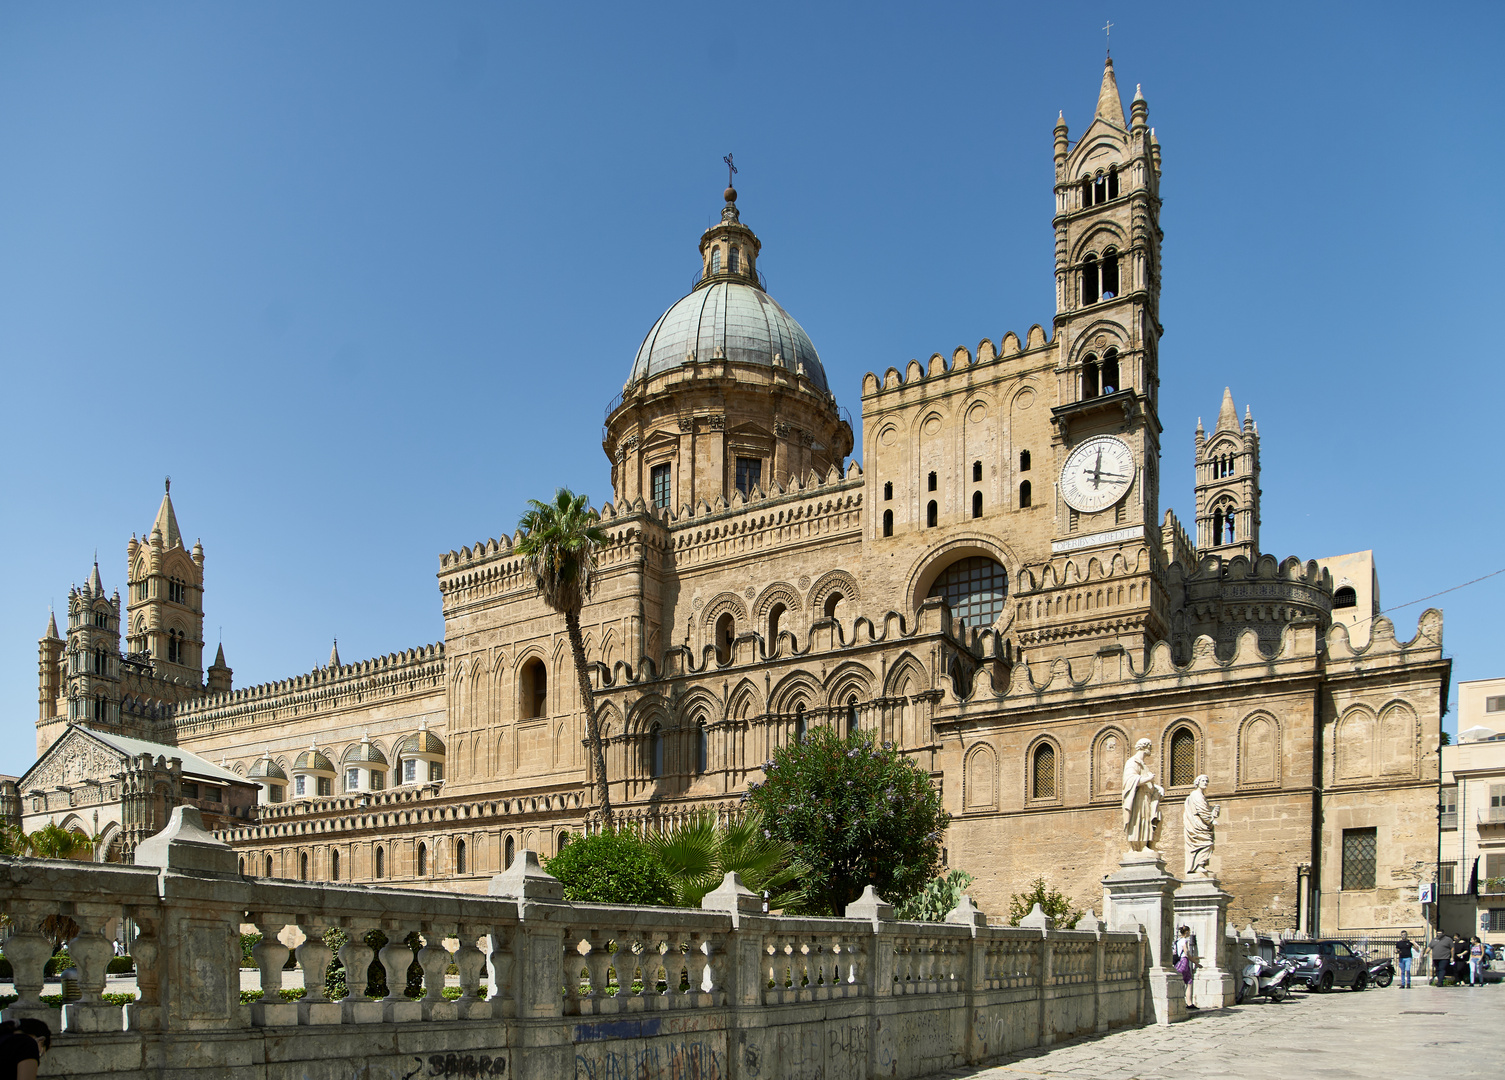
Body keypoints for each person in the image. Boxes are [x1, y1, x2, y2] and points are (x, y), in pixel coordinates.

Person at [1121, 738, 1164, 851]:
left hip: (1146, 797)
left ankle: (1145, 845)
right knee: (1138, 819)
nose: (1150, 750)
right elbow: (1129, 780)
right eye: (1150, 747)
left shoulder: (1144, 765)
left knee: (1145, 820)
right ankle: (1138, 847)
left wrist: (1157, 788)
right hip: (1138, 797)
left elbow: (1148, 784)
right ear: (1144, 747)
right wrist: (1148, 778)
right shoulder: (1132, 762)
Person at [1173, 925, 1198, 1009]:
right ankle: (1189, 1003)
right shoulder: (1184, 940)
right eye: (1189, 932)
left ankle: (1184, 1002)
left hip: (1178, 962)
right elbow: (1186, 952)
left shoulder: (1177, 940)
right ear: (1186, 932)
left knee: (1182, 981)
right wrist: (1195, 962)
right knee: (1189, 982)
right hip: (1184, 961)